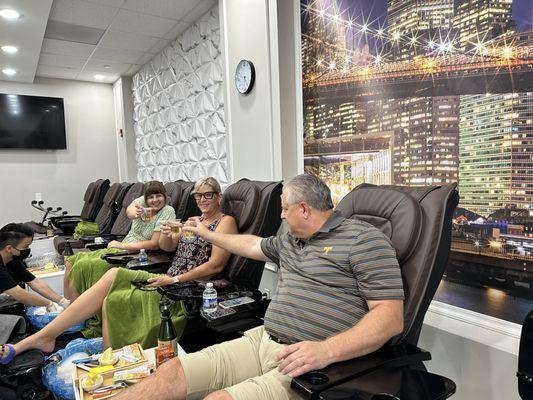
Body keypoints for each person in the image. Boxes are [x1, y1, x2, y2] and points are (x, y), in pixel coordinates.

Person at [112, 173, 405, 400]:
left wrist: (325, 351)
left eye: (284, 209)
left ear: (304, 209)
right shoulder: (291, 240)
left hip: (309, 362)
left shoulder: (364, 240)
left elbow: (390, 319)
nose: (280, 215)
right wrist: (206, 233)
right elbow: (250, 244)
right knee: (171, 371)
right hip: (262, 340)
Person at [0, 177, 237, 363]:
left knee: (114, 296)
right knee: (111, 276)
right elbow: (169, 248)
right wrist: (166, 235)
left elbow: (215, 265)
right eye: (199, 195)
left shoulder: (225, 221)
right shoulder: (193, 220)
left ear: (219, 197)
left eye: (209, 195)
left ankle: (54, 338)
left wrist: (175, 279)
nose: (203, 199)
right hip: (168, 275)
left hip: (186, 285)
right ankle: (51, 334)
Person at [63, 180, 176, 301]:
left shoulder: (167, 211)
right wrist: (133, 213)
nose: (155, 200)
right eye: (151, 197)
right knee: (71, 260)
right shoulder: (143, 202)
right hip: (122, 247)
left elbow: (154, 244)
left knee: (83, 264)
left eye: (159, 196)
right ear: (145, 198)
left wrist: (122, 246)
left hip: (138, 253)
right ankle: (67, 304)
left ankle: (82, 308)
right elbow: (130, 210)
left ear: (165, 196)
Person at [0, 223, 70, 311]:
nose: (28, 249)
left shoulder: (12, 260)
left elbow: (35, 282)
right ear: (9, 248)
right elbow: (20, 295)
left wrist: (62, 301)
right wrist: (48, 303)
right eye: (26, 246)